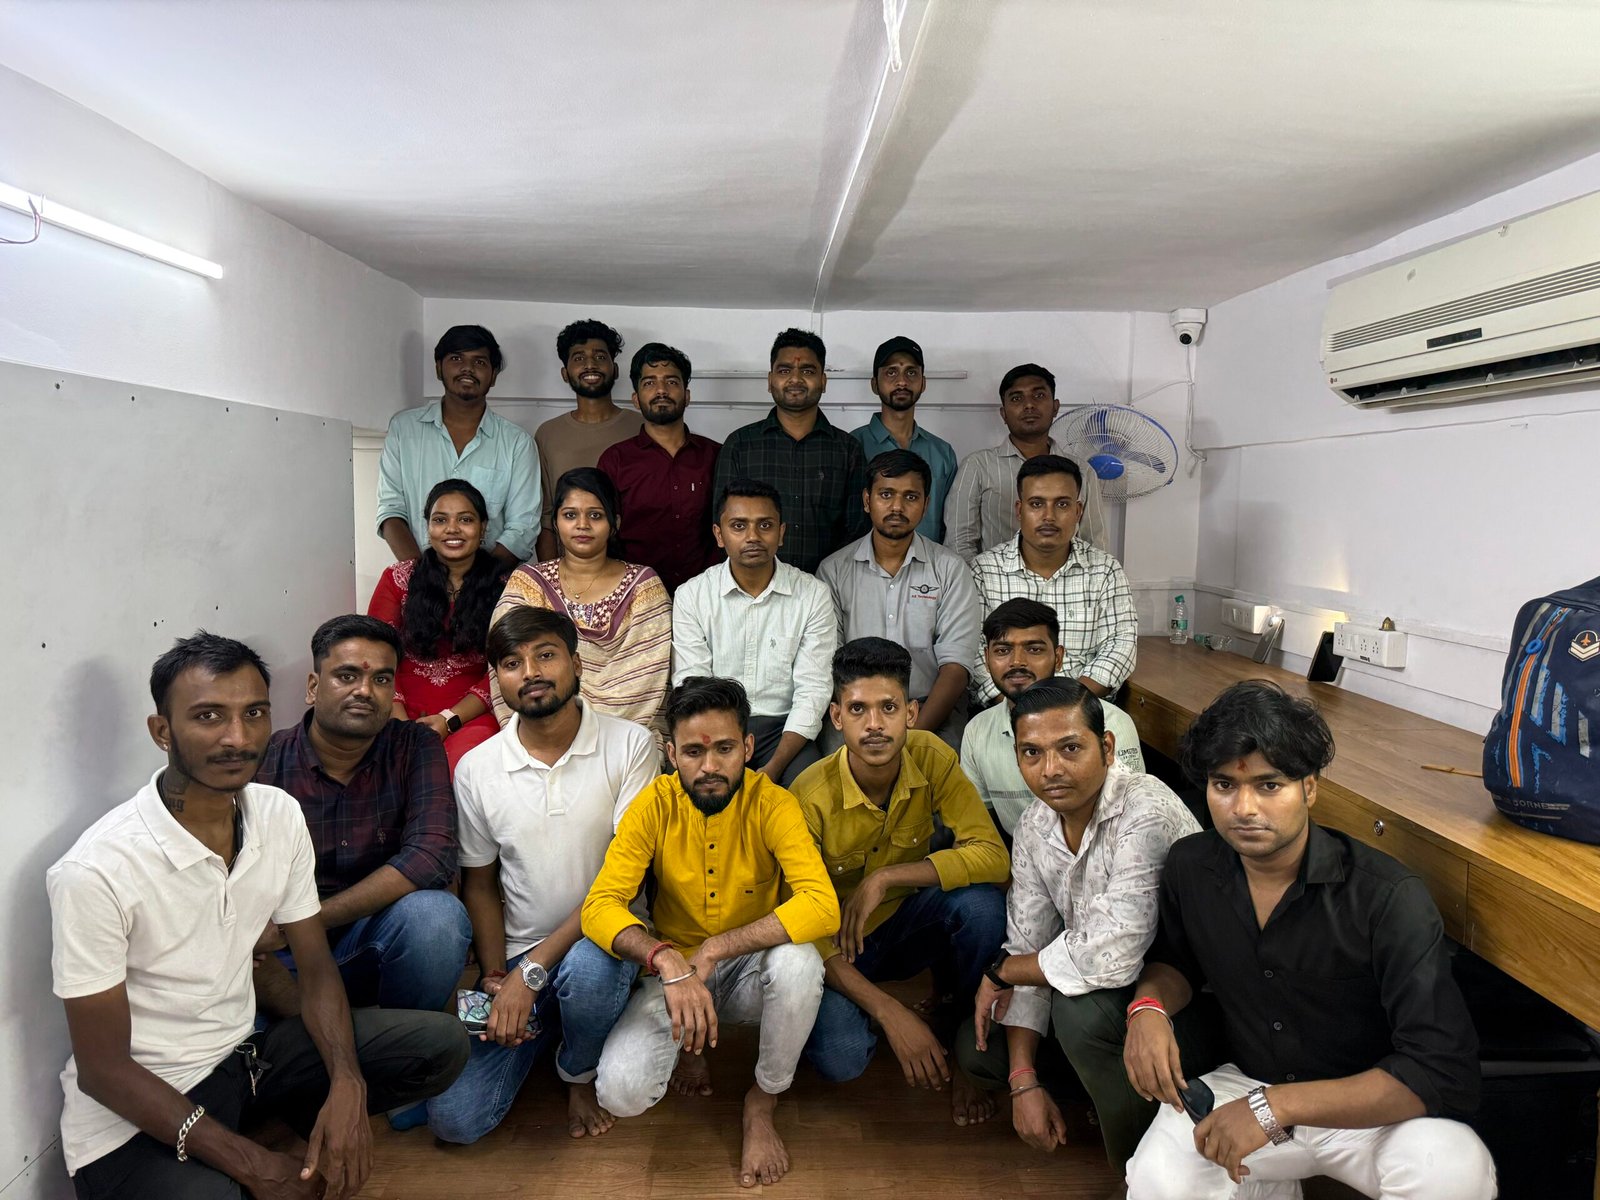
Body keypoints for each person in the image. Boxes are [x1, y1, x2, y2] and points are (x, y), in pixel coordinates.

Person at [48, 632, 467, 1200]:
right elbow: (103, 1070)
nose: (238, 738)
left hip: (242, 1064)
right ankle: (242, 1154)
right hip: (133, 1115)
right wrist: (254, 1166)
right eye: (208, 716)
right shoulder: (95, 870)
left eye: (254, 713)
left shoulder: (275, 814)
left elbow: (315, 968)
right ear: (162, 731)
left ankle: (261, 1136)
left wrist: (347, 1084)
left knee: (441, 1043)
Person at [1122, 681, 1495, 1200]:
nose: (1243, 807)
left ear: (1310, 789)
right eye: (1224, 784)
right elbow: (1175, 960)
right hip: (1245, 1087)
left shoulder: (1386, 896)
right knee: (1157, 1180)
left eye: (1269, 785)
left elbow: (1441, 1069)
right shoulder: (1191, 865)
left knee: (1453, 1170)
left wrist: (1276, 1107)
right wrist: (1147, 1008)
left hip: (1368, 1107)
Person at [583, 677, 840, 1189]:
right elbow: (599, 907)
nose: (709, 767)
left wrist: (719, 948)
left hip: (748, 971)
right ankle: (692, 1045)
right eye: (694, 752)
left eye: (724, 749)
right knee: (620, 1093)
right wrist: (666, 960)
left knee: (800, 962)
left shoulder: (773, 804)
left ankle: (762, 1101)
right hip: (674, 973)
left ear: (747, 747)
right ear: (671, 753)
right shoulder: (653, 805)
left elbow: (822, 906)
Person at [415, 607, 658, 1144]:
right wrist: (496, 976)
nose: (530, 673)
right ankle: (558, 1026)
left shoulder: (631, 745)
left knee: (590, 971)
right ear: (497, 680)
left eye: (545, 655)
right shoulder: (477, 768)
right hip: (521, 955)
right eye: (511, 663)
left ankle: (577, 1071)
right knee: (454, 1122)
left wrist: (530, 974)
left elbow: (622, 884)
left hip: (607, 942)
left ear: (577, 663)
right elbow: (480, 883)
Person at [955, 678, 1200, 1172]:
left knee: (1081, 1017)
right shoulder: (1034, 824)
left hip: (1182, 999)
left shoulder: (1145, 808)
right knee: (979, 1051)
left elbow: (1113, 954)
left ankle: (1137, 1171)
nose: (1051, 769)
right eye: (1032, 752)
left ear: (1106, 748)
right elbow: (1027, 940)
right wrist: (1023, 1080)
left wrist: (1003, 971)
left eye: (1070, 748)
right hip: (1104, 993)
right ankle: (1113, 1089)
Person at [793, 639, 1008, 1127]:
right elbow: (803, 932)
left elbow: (994, 858)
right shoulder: (808, 796)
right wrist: (892, 1013)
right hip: (839, 948)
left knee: (981, 907)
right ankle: (876, 1015)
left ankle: (965, 1039)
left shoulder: (931, 756)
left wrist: (886, 877)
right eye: (858, 709)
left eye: (888, 708)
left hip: (909, 925)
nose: (874, 724)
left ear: (911, 713)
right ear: (836, 717)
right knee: (840, 1059)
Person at [255, 615, 471, 1017]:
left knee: (437, 918)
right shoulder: (266, 762)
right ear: (313, 687)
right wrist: (286, 933)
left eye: (381, 679)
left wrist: (307, 920)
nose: (365, 691)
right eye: (347, 676)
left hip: (371, 941)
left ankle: (404, 1035)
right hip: (284, 956)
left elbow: (433, 855)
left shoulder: (414, 747)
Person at [672, 479, 837, 785]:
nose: (753, 537)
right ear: (719, 535)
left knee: (810, 787)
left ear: (781, 533)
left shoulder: (813, 595)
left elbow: (813, 690)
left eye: (765, 525)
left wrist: (775, 766)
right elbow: (692, 685)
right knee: (696, 795)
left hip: (784, 732)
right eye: (739, 526)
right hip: (715, 729)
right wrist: (722, 752)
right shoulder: (692, 595)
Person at [817, 449, 981, 748]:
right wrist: (865, 717)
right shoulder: (834, 571)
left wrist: (911, 738)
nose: (897, 506)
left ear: (926, 504)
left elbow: (956, 668)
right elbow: (830, 663)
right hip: (857, 709)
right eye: (886, 494)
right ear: (867, 501)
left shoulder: (950, 569)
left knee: (942, 763)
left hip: (931, 706)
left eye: (911, 497)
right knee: (836, 764)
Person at [491, 467, 672, 732]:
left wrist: (587, 732)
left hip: (628, 732)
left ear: (615, 523)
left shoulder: (644, 586)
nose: (582, 524)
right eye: (570, 515)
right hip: (539, 729)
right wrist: (552, 730)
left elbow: (647, 680)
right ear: (555, 523)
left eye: (595, 515)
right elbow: (506, 662)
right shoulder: (528, 583)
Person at [964, 599, 1145, 838]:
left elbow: (1131, 820)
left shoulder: (1113, 722)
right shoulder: (977, 731)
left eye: (1034, 649)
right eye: (1003, 650)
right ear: (987, 659)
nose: (1017, 661)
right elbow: (980, 831)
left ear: (1058, 657)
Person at [970, 454, 1136, 706]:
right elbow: (973, 651)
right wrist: (1018, 709)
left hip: (1083, 707)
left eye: (1062, 504)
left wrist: (1066, 706)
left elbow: (1121, 646)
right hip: (1004, 709)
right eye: (1037, 504)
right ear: (1019, 510)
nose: (1049, 516)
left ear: (1078, 511)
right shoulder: (983, 571)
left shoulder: (1105, 570)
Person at [366, 478, 508, 772]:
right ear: (427, 527)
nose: (452, 529)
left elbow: (504, 666)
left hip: (471, 715)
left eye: (465, 520)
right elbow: (377, 657)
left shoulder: (506, 587)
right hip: (397, 709)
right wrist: (401, 723)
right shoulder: (398, 580)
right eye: (440, 520)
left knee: (462, 767)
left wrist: (449, 719)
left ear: (483, 528)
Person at [377, 324, 538, 566]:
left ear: (493, 375)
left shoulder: (517, 443)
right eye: (456, 358)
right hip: (418, 578)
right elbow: (391, 511)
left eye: (479, 362)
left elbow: (523, 527)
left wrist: (476, 581)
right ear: (438, 368)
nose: (467, 368)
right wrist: (422, 574)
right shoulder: (403, 429)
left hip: (491, 583)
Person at [711, 327, 867, 573]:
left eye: (807, 371)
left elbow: (857, 530)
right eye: (784, 370)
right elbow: (724, 523)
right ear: (770, 380)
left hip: (829, 585)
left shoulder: (848, 450)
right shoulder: (740, 445)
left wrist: (828, 579)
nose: (795, 379)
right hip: (756, 585)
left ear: (823, 381)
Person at [943, 362, 1108, 559]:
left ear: (1055, 407)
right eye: (1016, 398)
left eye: (1039, 396)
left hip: (1067, 578)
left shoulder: (1082, 471)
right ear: (1004, 414)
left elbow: (1094, 543)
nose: (1029, 405)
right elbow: (959, 541)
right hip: (992, 578)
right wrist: (981, 578)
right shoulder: (978, 466)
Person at [597, 342, 721, 593]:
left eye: (671, 382)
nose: (661, 390)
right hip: (635, 597)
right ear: (635, 399)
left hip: (707, 596)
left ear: (687, 395)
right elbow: (603, 535)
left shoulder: (716, 455)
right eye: (649, 383)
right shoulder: (615, 460)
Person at [533, 319, 644, 561]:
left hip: (635, 566)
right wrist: (550, 575)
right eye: (579, 358)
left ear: (615, 369)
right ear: (565, 373)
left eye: (600, 357)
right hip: (571, 569)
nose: (590, 364)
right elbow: (546, 517)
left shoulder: (642, 427)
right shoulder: (548, 433)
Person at [850, 336, 958, 544]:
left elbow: (951, 527)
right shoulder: (852, 446)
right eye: (891, 372)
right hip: (863, 562)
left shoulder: (942, 453)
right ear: (874, 384)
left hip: (930, 562)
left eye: (911, 372)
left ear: (923, 383)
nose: (902, 381)